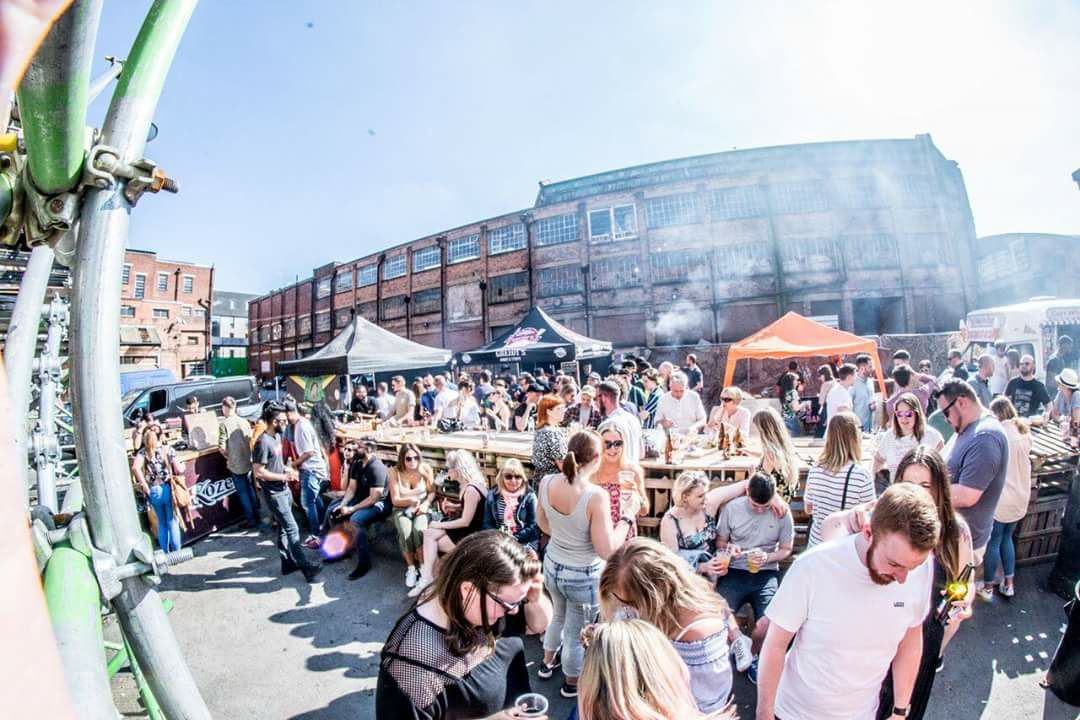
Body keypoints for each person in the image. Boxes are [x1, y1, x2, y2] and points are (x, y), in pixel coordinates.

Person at [755, 483, 939, 720]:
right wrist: (764, 713)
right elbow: (775, 644)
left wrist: (900, 711)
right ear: (868, 533)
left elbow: (911, 639)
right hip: (794, 713)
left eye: (912, 568)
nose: (903, 579)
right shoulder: (813, 567)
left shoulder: (920, 568)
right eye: (894, 564)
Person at [819, 447, 975, 719]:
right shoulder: (880, 519)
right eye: (908, 483)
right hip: (877, 635)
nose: (916, 493)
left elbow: (967, 580)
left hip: (923, 639)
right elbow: (828, 534)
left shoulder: (955, 531)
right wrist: (850, 517)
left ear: (939, 489)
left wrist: (964, 602)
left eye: (925, 485)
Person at [376, 531, 539, 719]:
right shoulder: (411, 666)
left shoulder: (489, 604)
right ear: (468, 589)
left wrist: (536, 596)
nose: (514, 611)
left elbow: (538, 624)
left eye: (519, 602)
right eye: (509, 604)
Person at [535, 431, 639, 698]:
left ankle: (547, 663)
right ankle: (571, 684)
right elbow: (607, 550)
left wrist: (564, 535)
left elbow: (542, 523)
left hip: (553, 565)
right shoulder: (595, 495)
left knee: (558, 615)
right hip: (581, 574)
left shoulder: (546, 482)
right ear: (596, 458)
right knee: (575, 631)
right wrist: (627, 516)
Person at [598, 539, 752, 712]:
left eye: (630, 603)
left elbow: (699, 704)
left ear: (655, 594)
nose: (625, 609)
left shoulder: (698, 631)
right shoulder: (686, 592)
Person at [715, 471, 794, 669]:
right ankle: (739, 643)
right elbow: (720, 542)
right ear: (747, 493)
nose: (759, 510)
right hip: (735, 571)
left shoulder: (782, 513)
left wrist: (767, 557)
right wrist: (729, 548)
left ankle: (752, 656)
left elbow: (786, 549)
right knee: (717, 613)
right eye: (754, 505)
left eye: (765, 507)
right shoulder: (733, 508)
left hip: (766, 573)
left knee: (766, 624)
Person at [938, 378, 1008, 565]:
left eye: (946, 412)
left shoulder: (985, 438)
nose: (945, 419)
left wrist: (920, 491)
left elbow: (966, 496)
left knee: (954, 586)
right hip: (949, 540)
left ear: (961, 402)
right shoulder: (968, 428)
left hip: (960, 546)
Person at [252, 402, 322, 582]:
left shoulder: (276, 436)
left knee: (284, 528)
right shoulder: (262, 442)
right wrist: (283, 477)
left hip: (284, 490)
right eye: (282, 420)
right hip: (275, 494)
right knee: (292, 528)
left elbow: (275, 464)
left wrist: (287, 470)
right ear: (274, 421)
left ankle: (287, 563)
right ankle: (306, 568)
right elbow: (259, 472)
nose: (286, 423)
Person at [411, 450, 489, 597]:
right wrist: (455, 506)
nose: (446, 472)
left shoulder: (471, 490)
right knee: (429, 534)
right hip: (470, 528)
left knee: (431, 541)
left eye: (448, 469)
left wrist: (438, 524)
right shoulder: (471, 484)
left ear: (457, 469)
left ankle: (428, 580)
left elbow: (465, 521)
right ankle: (429, 579)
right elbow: (474, 509)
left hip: (472, 534)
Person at [981, 397, 1033, 601]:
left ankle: (987, 587)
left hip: (1002, 498)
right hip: (1020, 496)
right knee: (1007, 538)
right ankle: (1009, 584)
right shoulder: (1024, 431)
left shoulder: (999, 435)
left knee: (994, 542)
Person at [805, 411, 876, 546]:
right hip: (843, 548)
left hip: (815, 546)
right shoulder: (861, 475)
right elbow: (869, 516)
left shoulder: (815, 470)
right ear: (855, 436)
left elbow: (809, 509)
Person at [334, 439, 392, 580]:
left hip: (380, 504)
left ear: (369, 450)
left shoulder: (377, 468)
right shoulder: (357, 463)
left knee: (356, 520)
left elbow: (374, 498)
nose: (355, 448)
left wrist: (351, 509)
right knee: (335, 513)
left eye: (359, 447)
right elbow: (351, 488)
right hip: (363, 499)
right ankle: (342, 550)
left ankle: (364, 563)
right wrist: (343, 505)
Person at [388, 443, 435, 589]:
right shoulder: (394, 472)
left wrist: (426, 504)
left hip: (421, 508)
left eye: (416, 457)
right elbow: (395, 500)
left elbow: (432, 491)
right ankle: (411, 568)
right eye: (408, 458)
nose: (413, 461)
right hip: (401, 508)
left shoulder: (425, 468)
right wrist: (411, 501)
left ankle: (423, 567)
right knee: (405, 531)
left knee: (419, 530)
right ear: (402, 459)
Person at [131, 426, 185, 552]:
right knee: (172, 520)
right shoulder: (166, 449)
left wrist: (145, 485)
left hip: (153, 490)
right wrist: (183, 467)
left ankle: (165, 552)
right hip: (167, 488)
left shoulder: (143, 453)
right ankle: (177, 552)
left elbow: (135, 468)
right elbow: (179, 469)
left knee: (162, 523)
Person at [872, 392, 945, 486]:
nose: (904, 419)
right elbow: (878, 460)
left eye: (908, 414)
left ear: (917, 414)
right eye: (899, 414)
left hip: (923, 491)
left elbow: (942, 465)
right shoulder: (889, 436)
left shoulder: (932, 435)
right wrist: (874, 480)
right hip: (897, 490)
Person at [284, 400, 328, 548]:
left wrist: (294, 464)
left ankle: (316, 535)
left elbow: (309, 452)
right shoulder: (299, 424)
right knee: (315, 500)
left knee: (308, 504)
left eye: (286, 416)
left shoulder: (301, 426)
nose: (285, 420)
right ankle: (323, 527)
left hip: (311, 469)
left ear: (290, 413)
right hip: (311, 469)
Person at [594, 420, 649, 538]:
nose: (612, 449)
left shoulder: (633, 470)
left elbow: (644, 511)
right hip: (597, 534)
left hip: (624, 533)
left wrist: (635, 493)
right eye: (607, 444)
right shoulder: (592, 471)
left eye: (617, 443)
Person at [660, 470, 718, 570]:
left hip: (715, 569)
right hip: (688, 574)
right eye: (700, 496)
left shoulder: (706, 507)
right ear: (685, 497)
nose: (706, 499)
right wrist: (702, 567)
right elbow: (672, 563)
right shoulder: (670, 521)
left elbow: (739, 487)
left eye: (705, 494)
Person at [217, 396, 259, 529]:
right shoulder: (244, 421)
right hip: (248, 461)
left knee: (243, 493)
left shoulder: (223, 424)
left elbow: (221, 447)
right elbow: (250, 439)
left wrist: (228, 457)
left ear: (225, 408)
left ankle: (251, 520)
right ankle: (257, 516)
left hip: (236, 465)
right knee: (251, 490)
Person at [483, 459, 539, 551]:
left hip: (524, 541)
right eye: (508, 476)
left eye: (518, 476)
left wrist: (514, 538)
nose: (513, 480)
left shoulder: (529, 496)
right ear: (502, 477)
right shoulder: (492, 495)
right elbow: (487, 523)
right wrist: (500, 537)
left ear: (523, 478)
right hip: (499, 539)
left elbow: (533, 525)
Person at [750, 407, 800, 503]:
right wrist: (750, 452)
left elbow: (762, 485)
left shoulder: (770, 453)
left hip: (772, 503)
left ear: (763, 430)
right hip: (785, 499)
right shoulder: (783, 446)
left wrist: (752, 475)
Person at [596, 380, 643, 464]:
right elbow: (641, 453)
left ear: (604, 398)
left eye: (595, 398)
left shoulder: (608, 425)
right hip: (632, 470)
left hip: (616, 471)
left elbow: (600, 458)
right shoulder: (633, 419)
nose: (595, 403)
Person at [530, 395, 568, 482]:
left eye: (563, 408)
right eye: (559, 409)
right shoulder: (552, 432)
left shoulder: (540, 430)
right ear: (549, 411)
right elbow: (562, 465)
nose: (563, 412)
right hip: (553, 482)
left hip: (540, 480)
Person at [1046, 334, 1075, 401]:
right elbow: (1050, 382)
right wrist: (1067, 386)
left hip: (1058, 395)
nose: (1071, 347)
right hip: (1053, 396)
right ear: (1063, 345)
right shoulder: (1054, 360)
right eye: (1069, 345)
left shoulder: (1060, 359)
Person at [851, 354, 875, 432]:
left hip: (870, 428)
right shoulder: (852, 384)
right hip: (857, 429)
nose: (872, 369)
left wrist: (873, 405)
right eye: (870, 367)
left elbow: (871, 400)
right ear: (862, 368)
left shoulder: (870, 382)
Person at [777, 371, 802, 437]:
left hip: (784, 419)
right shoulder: (793, 392)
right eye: (796, 380)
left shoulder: (784, 392)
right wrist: (805, 404)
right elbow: (795, 408)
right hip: (792, 419)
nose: (797, 382)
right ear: (792, 382)